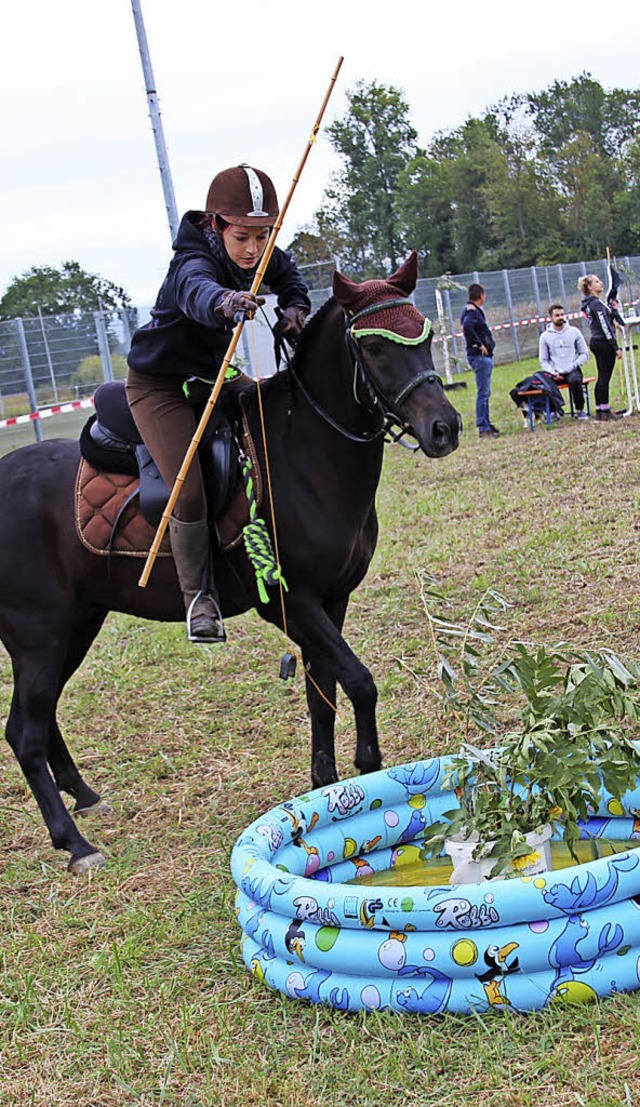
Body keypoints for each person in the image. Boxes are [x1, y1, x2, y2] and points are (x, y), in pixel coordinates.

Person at [126, 164, 311, 643]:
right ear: (216, 226)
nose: (254, 249)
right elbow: (196, 292)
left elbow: (289, 277)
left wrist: (295, 309)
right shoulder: (192, 261)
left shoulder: (259, 252)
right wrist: (226, 301)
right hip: (161, 385)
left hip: (214, 378)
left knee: (277, 422)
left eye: (262, 236)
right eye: (243, 237)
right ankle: (199, 600)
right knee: (187, 489)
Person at [577, 274, 623, 421]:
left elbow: (608, 318)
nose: (601, 283)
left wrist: (613, 309)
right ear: (590, 287)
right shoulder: (595, 304)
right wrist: (615, 346)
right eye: (597, 282)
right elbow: (605, 327)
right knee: (604, 377)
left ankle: (601, 409)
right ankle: (604, 410)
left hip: (597, 341)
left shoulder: (592, 303)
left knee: (603, 376)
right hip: (603, 342)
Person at [460, 283, 499, 438]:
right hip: (480, 357)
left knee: (485, 392)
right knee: (483, 392)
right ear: (481, 295)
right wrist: (479, 344)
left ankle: (487, 423)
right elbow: (468, 327)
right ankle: (483, 427)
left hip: (481, 356)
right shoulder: (472, 312)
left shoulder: (470, 310)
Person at [538, 303, 590, 419]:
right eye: (557, 315)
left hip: (572, 369)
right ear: (551, 318)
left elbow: (584, 353)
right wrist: (552, 372)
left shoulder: (574, 332)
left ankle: (580, 410)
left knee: (575, 380)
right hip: (554, 371)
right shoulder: (545, 337)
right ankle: (553, 412)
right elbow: (543, 360)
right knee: (543, 383)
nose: (560, 317)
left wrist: (573, 365)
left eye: (562, 314)